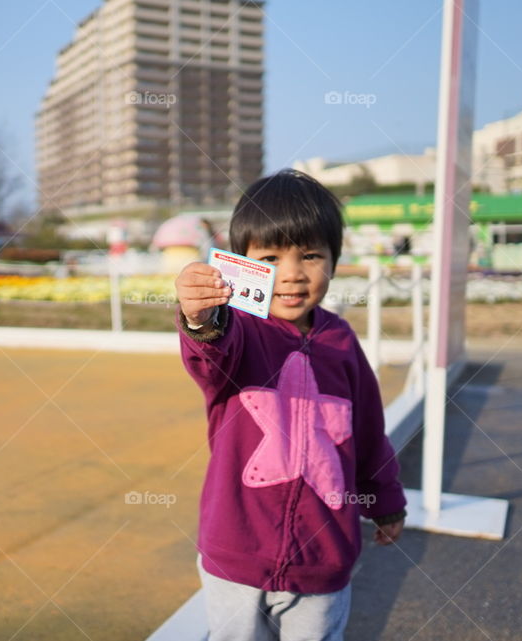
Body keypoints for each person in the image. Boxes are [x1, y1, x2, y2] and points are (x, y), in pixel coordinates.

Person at [174, 169, 407, 641]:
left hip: (325, 559)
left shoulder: (341, 340)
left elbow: (367, 431)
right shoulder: (238, 329)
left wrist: (384, 499)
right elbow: (209, 355)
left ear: (334, 261)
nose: (293, 273)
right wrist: (200, 319)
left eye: (311, 254)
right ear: (242, 265)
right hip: (235, 556)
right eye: (270, 256)